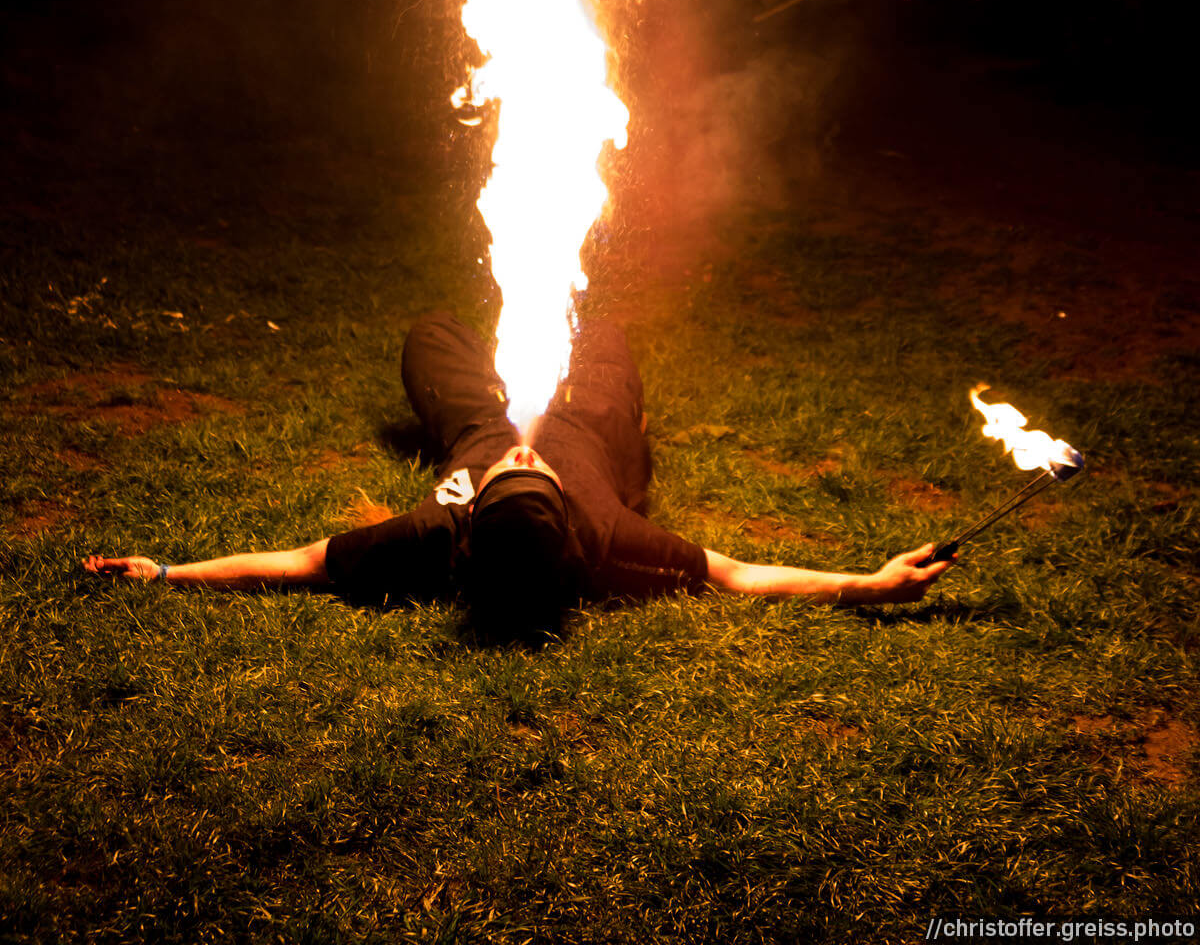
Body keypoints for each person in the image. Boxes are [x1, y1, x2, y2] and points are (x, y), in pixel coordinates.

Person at [84, 312, 953, 641]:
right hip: (589, 413)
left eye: (512, 473)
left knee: (431, 332)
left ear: (476, 508)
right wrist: (868, 585)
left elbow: (302, 563)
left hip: (476, 414)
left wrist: (166, 572)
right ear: (566, 514)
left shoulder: (436, 532)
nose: (525, 455)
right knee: (602, 334)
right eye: (532, 474)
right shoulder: (608, 538)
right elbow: (737, 574)